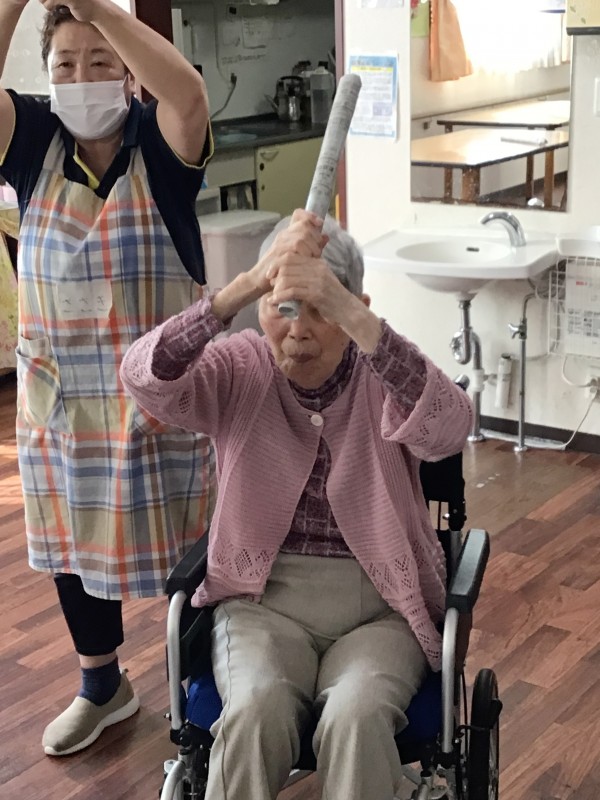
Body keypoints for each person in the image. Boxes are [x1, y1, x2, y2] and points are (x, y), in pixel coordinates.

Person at [120, 210, 473, 800]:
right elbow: (143, 377)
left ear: (354, 309)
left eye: (321, 310)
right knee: (254, 708)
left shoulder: (382, 374)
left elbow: (450, 427)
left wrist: (361, 322)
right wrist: (239, 289)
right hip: (261, 604)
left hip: (381, 606)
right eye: (280, 306)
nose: (297, 331)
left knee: (357, 717)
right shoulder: (240, 367)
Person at [0, 0, 216, 756]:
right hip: (64, 403)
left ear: (128, 75)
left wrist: (97, 9)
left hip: (159, 401)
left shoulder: (160, 143)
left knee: (195, 550)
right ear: (46, 76)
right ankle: (102, 685)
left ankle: (207, 687)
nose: (82, 77)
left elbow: (187, 92)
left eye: (101, 63)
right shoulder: (32, 140)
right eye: (65, 64)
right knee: (70, 543)